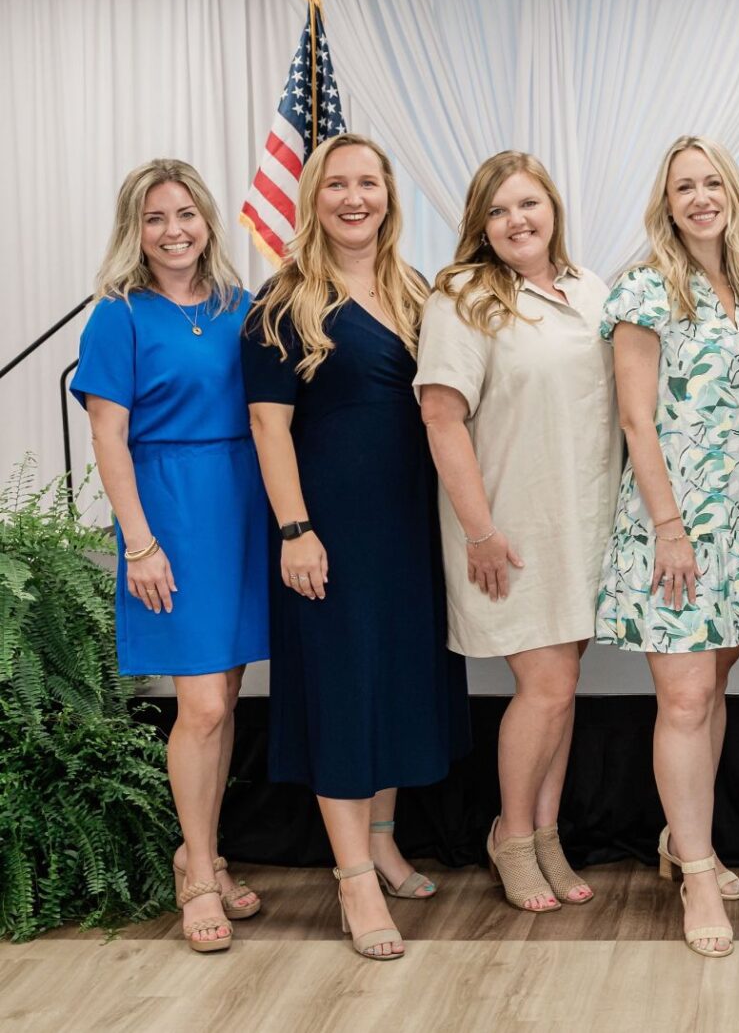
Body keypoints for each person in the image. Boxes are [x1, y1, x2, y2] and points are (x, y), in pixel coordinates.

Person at [242, 132, 469, 961]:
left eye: (367, 183)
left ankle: (383, 841)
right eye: (336, 184)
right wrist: (296, 530)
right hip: (328, 530)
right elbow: (268, 427)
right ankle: (354, 881)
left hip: (408, 527)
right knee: (343, 693)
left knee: (394, 684)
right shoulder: (283, 301)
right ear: (313, 199)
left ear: (388, 195)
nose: (353, 198)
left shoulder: (416, 291)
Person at [71, 159, 268, 954]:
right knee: (204, 706)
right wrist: (140, 543)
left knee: (227, 694)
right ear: (135, 230)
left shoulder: (240, 307)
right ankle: (196, 876)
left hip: (243, 506)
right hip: (171, 513)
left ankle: (204, 852)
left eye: (184, 213)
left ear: (207, 221)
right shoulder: (116, 316)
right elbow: (107, 437)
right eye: (155, 218)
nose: (173, 230)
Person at [416, 151, 619, 916]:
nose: (516, 220)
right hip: (509, 528)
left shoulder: (589, 289)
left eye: (528, 203)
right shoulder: (462, 298)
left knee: (562, 693)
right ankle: (511, 835)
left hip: (582, 524)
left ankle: (545, 834)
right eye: (498, 210)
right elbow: (441, 417)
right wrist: (480, 532)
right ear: (480, 225)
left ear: (553, 208)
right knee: (547, 688)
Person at [596, 136, 739, 958]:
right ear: (666, 204)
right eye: (685, 187)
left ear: (732, 193)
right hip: (671, 527)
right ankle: (698, 874)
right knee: (684, 699)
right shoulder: (645, 289)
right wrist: (670, 530)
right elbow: (636, 420)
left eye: (713, 183)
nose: (701, 197)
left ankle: (684, 839)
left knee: (714, 687)